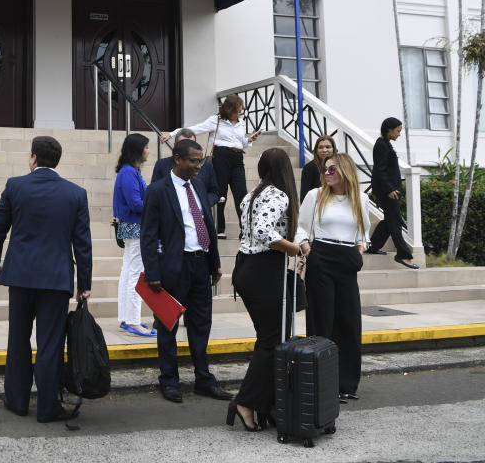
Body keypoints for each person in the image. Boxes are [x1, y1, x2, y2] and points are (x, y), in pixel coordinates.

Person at [0, 136, 92, 423]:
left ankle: (18, 401)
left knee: (18, 339)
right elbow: (82, 244)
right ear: (56, 160)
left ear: (33, 158)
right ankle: (47, 408)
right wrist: (84, 283)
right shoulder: (76, 193)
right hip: (56, 279)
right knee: (50, 344)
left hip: (20, 275)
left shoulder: (15, 186)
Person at [140, 139, 232, 404]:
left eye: (200, 161)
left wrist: (214, 261)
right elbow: (148, 235)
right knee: (168, 325)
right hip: (172, 267)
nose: (198, 166)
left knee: (201, 323)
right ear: (177, 159)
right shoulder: (158, 190)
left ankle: (203, 378)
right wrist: (153, 271)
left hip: (200, 263)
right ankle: (169, 380)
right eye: (193, 161)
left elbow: (207, 223)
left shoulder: (199, 185)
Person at [229, 147, 303, 432]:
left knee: (272, 339)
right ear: (285, 170)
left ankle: (267, 401)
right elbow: (263, 230)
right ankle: (246, 402)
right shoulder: (279, 195)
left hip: (248, 268)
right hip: (263, 270)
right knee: (272, 340)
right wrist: (293, 248)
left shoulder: (253, 194)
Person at [297, 152, 369, 402]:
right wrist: (307, 249)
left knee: (349, 321)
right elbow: (300, 228)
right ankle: (320, 383)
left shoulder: (360, 198)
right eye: (325, 169)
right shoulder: (314, 196)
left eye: (332, 169)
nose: (326, 173)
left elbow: (364, 233)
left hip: (347, 258)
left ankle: (347, 384)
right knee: (322, 321)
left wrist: (359, 252)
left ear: (345, 172)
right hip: (322, 256)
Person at [162, 95, 260, 239]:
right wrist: (172, 134)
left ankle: (244, 229)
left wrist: (250, 140)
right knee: (221, 192)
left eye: (240, 110)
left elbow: (241, 143)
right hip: (221, 156)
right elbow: (195, 129)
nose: (240, 112)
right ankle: (219, 228)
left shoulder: (241, 122)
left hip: (238, 157)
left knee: (242, 194)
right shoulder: (216, 120)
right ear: (229, 109)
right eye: (238, 109)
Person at [112, 133, 155, 338]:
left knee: (128, 272)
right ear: (138, 150)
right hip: (135, 228)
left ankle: (127, 318)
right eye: (146, 147)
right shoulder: (129, 172)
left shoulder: (130, 171)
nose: (148, 151)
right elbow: (135, 203)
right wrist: (156, 207)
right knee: (135, 274)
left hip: (132, 228)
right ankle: (134, 321)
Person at [368, 117, 418, 268]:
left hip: (390, 190)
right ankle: (403, 255)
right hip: (387, 191)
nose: (399, 134)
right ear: (389, 130)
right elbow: (379, 170)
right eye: (398, 131)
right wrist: (389, 189)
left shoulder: (386, 144)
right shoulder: (381, 145)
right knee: (395, 221)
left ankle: (373, 246)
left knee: (390, 220)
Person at [151, 129, 221, 210]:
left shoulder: (206, 166)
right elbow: (155, 192)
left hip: (200, 216)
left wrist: (202, 203)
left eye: (192, 144)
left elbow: (214, 192)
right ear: (175, 145)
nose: (188, 149)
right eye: (183, 145)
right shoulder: (162, 165)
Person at [300, 134, 336, 202]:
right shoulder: (309, 168)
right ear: (316, 150)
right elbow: (304, 197)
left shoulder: (339, 166)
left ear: (333, 149)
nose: (324, 150)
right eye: (321, 147)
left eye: (328, 147)